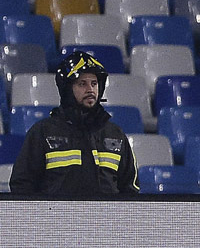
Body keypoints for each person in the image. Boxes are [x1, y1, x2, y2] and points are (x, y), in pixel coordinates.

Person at [10, 52, 139, 196]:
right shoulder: (43, 132)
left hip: (106, 218)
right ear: (67, 89)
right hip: (57, 217)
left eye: (94, 83)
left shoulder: (116, 134)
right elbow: (21, 186)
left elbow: (130, 190)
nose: (90, 90)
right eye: (82, 84)